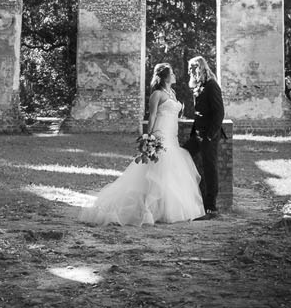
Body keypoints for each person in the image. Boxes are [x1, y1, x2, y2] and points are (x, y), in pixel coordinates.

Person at [79, 63, 204, 226]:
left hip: (172, 136)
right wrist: (149, 136)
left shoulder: (172, 92)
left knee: (170, 172)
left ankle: (165, 209)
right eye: (171, 73)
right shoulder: (157, 94)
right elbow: (152, 116)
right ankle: (146, 209)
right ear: (165, 76)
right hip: (160, 134)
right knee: (156, 170)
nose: (174, 75)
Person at [186, 55, 224, 218]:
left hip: (208, 135)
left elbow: (219, 113)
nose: (190, 71)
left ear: (200, 67)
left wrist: (209, 136)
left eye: (192, 68)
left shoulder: (211, 85)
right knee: (182, 154)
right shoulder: (199, 85)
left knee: (210, 168)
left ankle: (211, 207)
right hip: (198, 134)